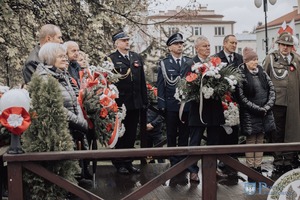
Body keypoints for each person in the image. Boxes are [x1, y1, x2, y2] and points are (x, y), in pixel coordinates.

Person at [35, 42, 92, 181]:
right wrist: (80, 122)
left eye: (65, 56)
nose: (65, 59)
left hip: (74, 129)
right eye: (60, 56)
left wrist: (81, 120)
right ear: (49, 58)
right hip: (59, 133)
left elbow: (74, 99)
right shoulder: (45, 78)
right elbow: (57, 108)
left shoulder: (64, 75)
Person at [186, 36, 227, 184]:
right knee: (195, 141)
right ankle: (192, 171)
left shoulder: (214, 63)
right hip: (198, 108)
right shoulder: (190, 63)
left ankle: (212, 168)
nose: (208, 48)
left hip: (214, 108)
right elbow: (186, 86)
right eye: (204, 46)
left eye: (209, 45)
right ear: (197, 48)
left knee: (214, 141)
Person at [108, 30, 148, 175]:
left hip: (135, 102)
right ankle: (119, 163)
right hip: (120, 103)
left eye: (127, 40)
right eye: (123, 40)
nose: (127, 42)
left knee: (131, 133)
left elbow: (142, 81)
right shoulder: (111, 59)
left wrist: (144, 101)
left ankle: (129, 162)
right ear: (116, 43)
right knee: (120, 134)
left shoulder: (136, 57)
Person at [157, 33, 192, 185]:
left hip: (186, 106)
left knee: (184, 136)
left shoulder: (189, 62)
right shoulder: (164, 63)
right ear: (170, 46)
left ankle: (183, 163)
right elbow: (161, 85)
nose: (180, 46)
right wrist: (162, 105)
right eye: (176, 44)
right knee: (171, 136)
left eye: (181, 44)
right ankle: (173, 163)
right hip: (171, 106)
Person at [263, 32, 300, 177]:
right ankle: (278, 161)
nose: (285, 48)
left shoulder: (297, 59)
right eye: (283, 45)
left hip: (293, 102)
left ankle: (290, 160)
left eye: (288, 45)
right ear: (278, 45)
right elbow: (264, 79)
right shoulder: (271, 59)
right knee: (277, 133)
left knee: (292, 132)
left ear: (292, 47)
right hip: (277, 103)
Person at [237, 47, 276, 181]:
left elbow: (272, 89)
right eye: (253, 60)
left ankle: (258, 167)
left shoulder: (262, 73)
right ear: (246, 61)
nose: (256, 62)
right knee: (251, 140)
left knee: (260, 139)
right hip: (250, 114)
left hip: (264, 112)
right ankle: (250, 168)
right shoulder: (241, 75)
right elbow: (242, 97)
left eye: (257, 59)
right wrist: (257, 109)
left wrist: (267, 106)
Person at [215, 34, 243, 178]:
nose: (234, 45)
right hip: (222, 100)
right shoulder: (217, 57)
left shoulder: (239, 58)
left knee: (234, 129)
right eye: (232, 43)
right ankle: (222, 159)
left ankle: (232, 158)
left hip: (236, 99)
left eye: (236, 43)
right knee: (222, 131)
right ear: (225, 43)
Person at [146, 83, 165, 163]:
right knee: (147, 155)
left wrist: (153, 124)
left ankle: (162, 169)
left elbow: (162, 114)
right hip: (145, 129)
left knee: (159, 153)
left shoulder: (159, 97)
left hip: (156, 130)